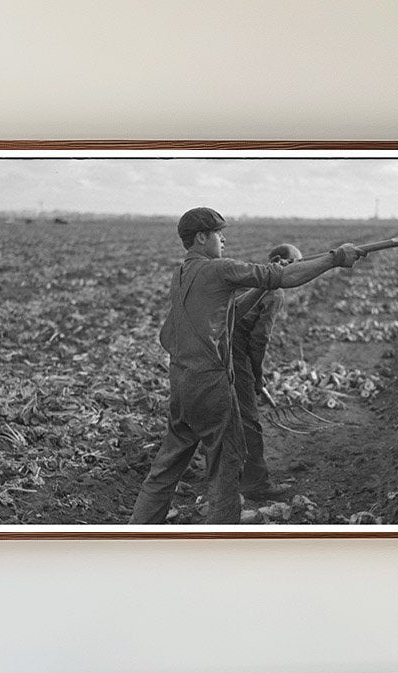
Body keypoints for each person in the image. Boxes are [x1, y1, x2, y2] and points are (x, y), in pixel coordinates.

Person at [130, 208, 364, 525]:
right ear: (201, 238)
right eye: (218, 234)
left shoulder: (183, 274)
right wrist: (336, 258)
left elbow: (230, 315)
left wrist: (261, 287)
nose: (223, 239)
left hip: (182, 384)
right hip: (211, 386)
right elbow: (285, 277)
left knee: (166, 466)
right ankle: (221, 543)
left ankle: (139, 531)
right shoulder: (218, 270)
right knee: (227, 464)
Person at [232, 243, 303, 502]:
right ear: (276, 261)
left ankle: (226, 473)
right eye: (295, 263)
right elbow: (258, 340)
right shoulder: (274, 293)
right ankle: (255, 483)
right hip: (234, 352)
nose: (299, 270)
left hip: (209, 348)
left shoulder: (245, 280)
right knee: (249, 420)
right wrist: (257, 378)